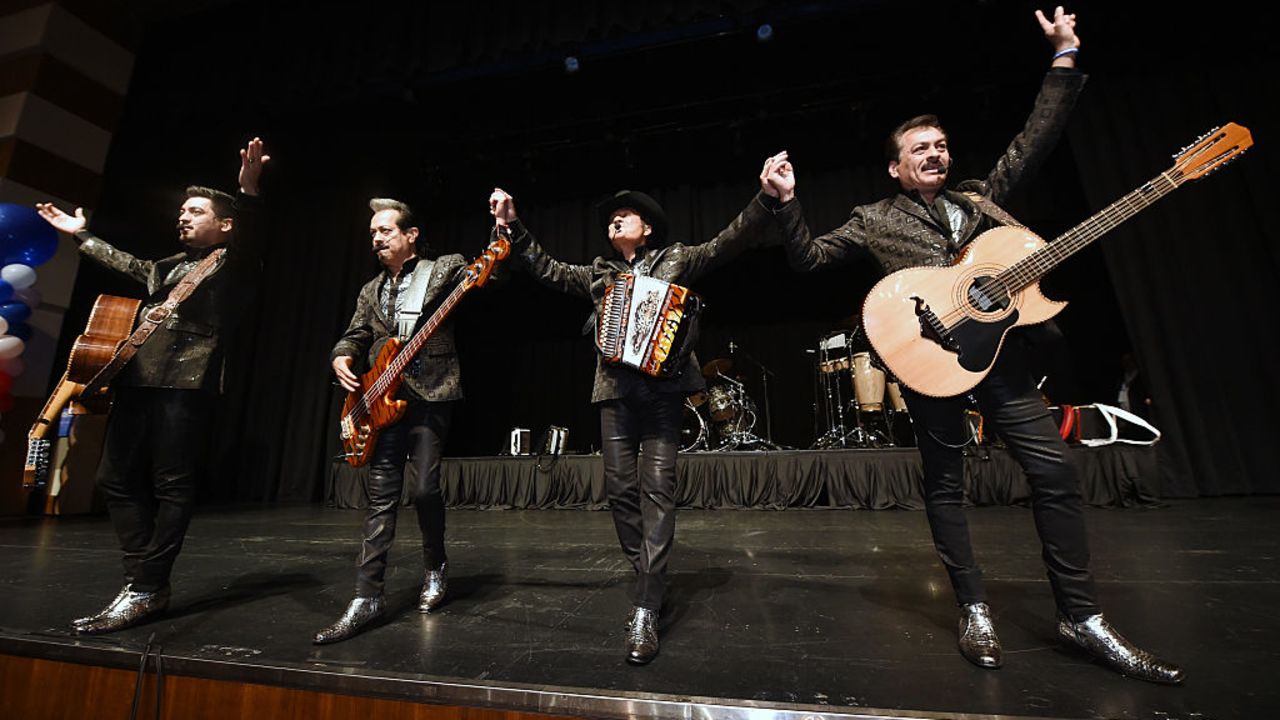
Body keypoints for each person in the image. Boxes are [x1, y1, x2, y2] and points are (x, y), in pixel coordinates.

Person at [761, 8, 1182, 684]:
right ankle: (974, 605)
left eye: (941, 144)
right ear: (896, 168)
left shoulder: (982, 200)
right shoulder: (874, 219)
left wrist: (1065, 58)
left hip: (1005, 364)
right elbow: (809, 260)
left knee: (1054, 471)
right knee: (946, 485)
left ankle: (1081, 615)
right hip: (930, 366)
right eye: (921, 148)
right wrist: (786, 204)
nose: (936, 153)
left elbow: (1035, 139)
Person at [488, 172, 779, 664]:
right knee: (620, 490)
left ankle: (646, 605)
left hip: (664, 391)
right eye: (609, 218)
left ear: (648, 228)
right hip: (615, 391)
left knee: (658, 490)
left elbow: (728, 241)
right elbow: (547, 269)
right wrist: (513, 228)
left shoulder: (676, 259)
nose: (613, 220)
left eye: (625, 215)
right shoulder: (600, 274)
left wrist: (766, 199)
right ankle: (648, 571)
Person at [35, 137, 270, 634]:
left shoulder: (234, 261)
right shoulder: (166, 267)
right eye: (182, 210)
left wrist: (248, 191)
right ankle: (144, 577)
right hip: (138, 378)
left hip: (187, 383)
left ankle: (145, 587)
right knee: (112, 479)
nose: (183, 216)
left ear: (225, 224)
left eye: (196, 210)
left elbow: (253, 234)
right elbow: (131, 265)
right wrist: (83, 236)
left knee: (171, 484)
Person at [314, 198, 469, 644]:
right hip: (380, 397)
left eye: (385, 231)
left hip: (430, 392)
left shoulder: (442, 270)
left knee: (423, 488)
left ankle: (435, 565)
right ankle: (367, 597)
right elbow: (357, 332)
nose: (377, 239)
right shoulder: (370, 289)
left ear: (410, 234)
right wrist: (342, 353)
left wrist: (501, 235)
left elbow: (489, 273)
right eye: (373, 234)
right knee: (380, 497)